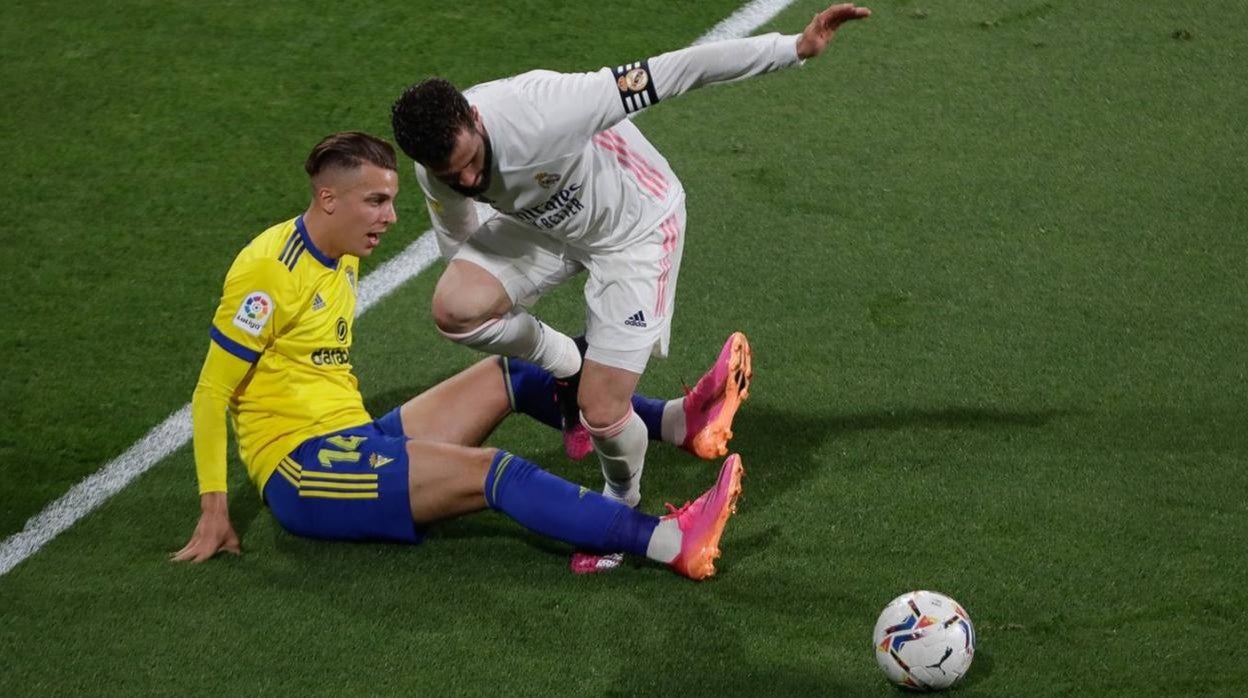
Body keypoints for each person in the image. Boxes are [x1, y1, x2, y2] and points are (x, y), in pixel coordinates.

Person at [172, 132, 753, 580]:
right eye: (375, 201)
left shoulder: (339, 254)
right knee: (495, 473)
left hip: (358, 436)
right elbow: (210, 394)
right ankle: (668, 542)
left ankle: (679, 423)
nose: (390, 217)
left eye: (392, 200)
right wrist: (214, 509)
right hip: (305, 471)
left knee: (519, 373)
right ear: (328, 198)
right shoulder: (267, 273)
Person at [389, 3, 870, 513]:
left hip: (635, 227)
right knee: (456, 307)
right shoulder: (437, 169)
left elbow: (677, 70)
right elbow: (460, 242)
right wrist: (495, 294)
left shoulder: (548, 110)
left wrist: (793, 48)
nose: (467, 181)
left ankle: (619, 504)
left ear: (477, 118)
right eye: (450, 173)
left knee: (601, 411)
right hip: (545, 230)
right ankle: (568, 363)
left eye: (471, 163)